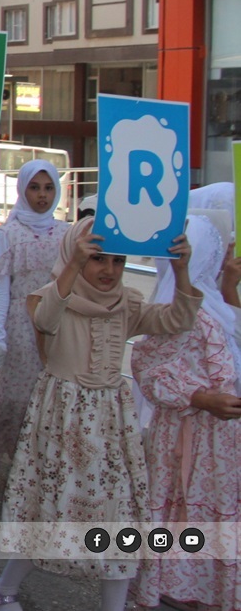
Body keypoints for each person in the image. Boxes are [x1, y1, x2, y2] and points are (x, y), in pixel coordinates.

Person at [0, 218, 199, 611]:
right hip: (63, 421)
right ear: (75, 255)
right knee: (49, 512)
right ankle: (4, 588)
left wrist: (182, 269)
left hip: (111, 425)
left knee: (119, 516)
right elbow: (47, 320)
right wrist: (71, 266)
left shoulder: (128, 304)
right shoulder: (50, 297)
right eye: (97, 259)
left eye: (118, 260)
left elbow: (177, 321)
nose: (109, 270)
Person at [133, 214, 241, 611]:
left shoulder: (216, 305)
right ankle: (179, 591)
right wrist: (198, 396)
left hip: (222, 443)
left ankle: (203, 591)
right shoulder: (174, 309)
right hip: (186, 438)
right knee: (180, 509)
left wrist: (230, 289)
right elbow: (148, 368)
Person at [0, 160, 69, 472]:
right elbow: (1, 287)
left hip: (58, 326)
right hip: (21, 327)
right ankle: (10, 471)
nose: (42, 195)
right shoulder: (10, 233)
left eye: (48, 188)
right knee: (16, 398)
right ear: (22, 190)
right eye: (34, 187)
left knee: (52, 396)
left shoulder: (66, 233)